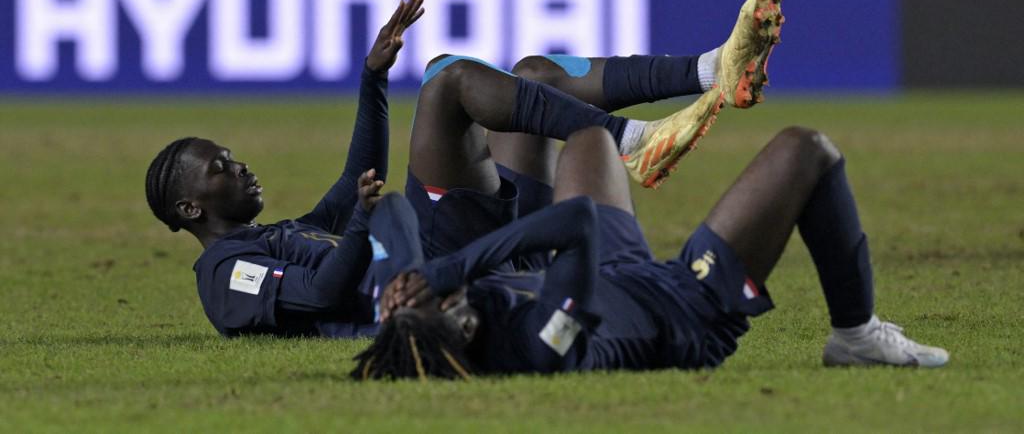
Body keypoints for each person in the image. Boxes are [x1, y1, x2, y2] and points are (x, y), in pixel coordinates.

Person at [352, 123, 950, 380]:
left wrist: (397, 280)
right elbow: (578, 222)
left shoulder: (416, 323)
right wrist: (452, 266)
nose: (449, 296)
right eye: (450, 303)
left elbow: (393, 211)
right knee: (806, 149)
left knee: (589, 140)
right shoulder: (539, 350)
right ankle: (857, 336)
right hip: (684, 307)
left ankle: (662, 123)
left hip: (613, 272)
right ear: (459, 333)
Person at [405, 0, 784, 263]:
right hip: (442, 264)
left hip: (505, 255)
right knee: (446, 76)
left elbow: (346, 206)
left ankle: (713, 70)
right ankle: (631, 141)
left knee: (534, 73)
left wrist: (374, 77)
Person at [143, 0, 425, 338]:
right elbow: (320, 294)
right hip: (411, 315)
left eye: (232, 159)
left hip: (433, 279)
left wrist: (374, 75)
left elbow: (360, 178)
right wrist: (362, 219)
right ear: (190, 208)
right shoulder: (225, 274)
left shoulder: (282, 234)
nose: (241, 167)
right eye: (220, 167)